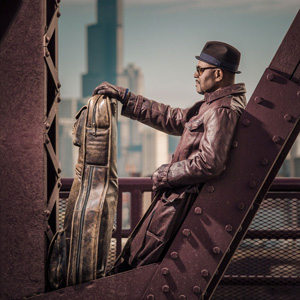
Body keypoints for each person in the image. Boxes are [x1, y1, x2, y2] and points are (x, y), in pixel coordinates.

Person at [93, 41, 247, 274]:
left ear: (217, 74)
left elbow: (210, 162)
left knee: (134, 271)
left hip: (179, 210)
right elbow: (174, 118)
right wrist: (127, 98)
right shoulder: (211, 105)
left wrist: (165, 173)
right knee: (131, 267)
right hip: (177, 206)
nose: (194, 75)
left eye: (199, 69)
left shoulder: (220, 110)